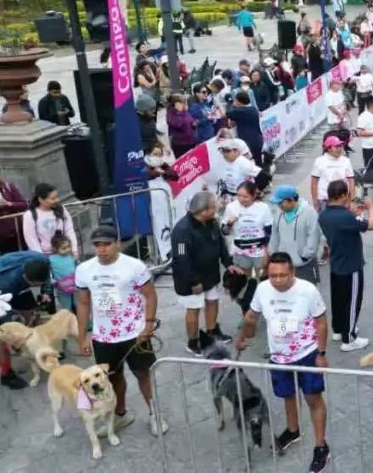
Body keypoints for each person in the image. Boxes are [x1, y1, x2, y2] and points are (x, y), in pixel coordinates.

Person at [235, 252, 331, 469]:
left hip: (306, 354)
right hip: (279, 356)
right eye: (273, 276)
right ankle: (292, 429)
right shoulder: (262, 289)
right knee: (287, 395)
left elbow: (322, 322)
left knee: (312, 399)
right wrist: (241, 338)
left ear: (293, 272)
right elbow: (251, 315)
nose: (277, 280)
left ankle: (321, 446)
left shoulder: (308, 291)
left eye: (283, 275)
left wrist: (322, 354)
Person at [75, 226, 167, 436]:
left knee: (143, 374)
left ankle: (155, 414)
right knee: (113, 378)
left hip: (134, 333)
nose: (101, 250)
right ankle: (121, 414)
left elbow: (150, 295)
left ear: (118, 243)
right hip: (103, 337)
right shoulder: (84, 270)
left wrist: (148, 326)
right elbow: (82, 303)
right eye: (97, 245)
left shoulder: (134, 266)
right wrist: (82, 337)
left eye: (106, 244)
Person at [170, 192, 239, 356]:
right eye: (213, 208)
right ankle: (193, 343)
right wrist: (193, 281)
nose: (215, 210)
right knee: (194, 309)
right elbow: (181, 259)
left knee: (212, 301)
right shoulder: (182, 230)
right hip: (191, 279)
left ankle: (212, 331)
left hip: (210, 275)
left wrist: (228, 263)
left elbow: (220, 244)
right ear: (203, 210)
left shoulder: (211, 223)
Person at [0, 251, 51, 389]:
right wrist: (15, 341)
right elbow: (6, 323)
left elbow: (46, 280)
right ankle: (6, 374)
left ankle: (42, 352)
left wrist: (45, 292)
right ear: (26, 278)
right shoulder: (5, 281)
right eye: (32, 283)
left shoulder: (43, 261)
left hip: (17, 284)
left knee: (32, 314)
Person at [318, 180, 373, 351]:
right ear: (344, 195)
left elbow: (348, 223)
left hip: (336, 263)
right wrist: (370, 207)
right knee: (352, 301)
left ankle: (338, 329)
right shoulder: (345, 216)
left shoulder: (324, 214)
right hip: (351, 264)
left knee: (338, 300)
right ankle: (349, 338)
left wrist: (352, 212)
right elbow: (371, 224)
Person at [221, 181, 272, 274]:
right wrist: (229, 224)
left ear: (253, 196)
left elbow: (269, 231)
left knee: (260, 277)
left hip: (259, 250)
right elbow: (224, 232)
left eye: (245, 196)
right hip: (240, 250)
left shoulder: (263, 207)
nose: (241, 199)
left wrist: (266, 251)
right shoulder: (231, 207)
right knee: (244, 278)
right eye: (238, 195)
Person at [21, 182, 78, 256]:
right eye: (52, 198)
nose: (57, 200)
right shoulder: (29, 215)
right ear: (41, 199)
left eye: (57, 197)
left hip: (64, 252)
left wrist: (74, 249)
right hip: (45, 254)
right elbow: (31, 239)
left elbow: (69, 230)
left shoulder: (61, 209)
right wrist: (41, 257)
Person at [310, 135, 356, 212]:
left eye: (340, 146)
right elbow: (314, 183)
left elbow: (351, 181)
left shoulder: (346, 161)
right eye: (336, 147)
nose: (339, 149)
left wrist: (352, 201)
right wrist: (315, 202)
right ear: (328, 149)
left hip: (343, 200)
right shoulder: (319, 161)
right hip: (324, 200)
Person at [225, 92, 264, 166]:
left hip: (249, 143)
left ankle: (260, 177)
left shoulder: (241, 111)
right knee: (258, 164)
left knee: (250, 166)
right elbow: (233, 122)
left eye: (235, 101)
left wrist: (225, 105)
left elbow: (226, 114)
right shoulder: (253, 109)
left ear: (239, 102)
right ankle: (263, 177)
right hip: (258, 139)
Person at [166, 94, 197, 158]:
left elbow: (190, 120)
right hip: (180, 144)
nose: (184, 104)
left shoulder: (184, 111)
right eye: (183, 102)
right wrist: (179, 112)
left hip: (191, 141)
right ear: (176, 103)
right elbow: (178, 124)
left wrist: (193, 124)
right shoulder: (170, 113)